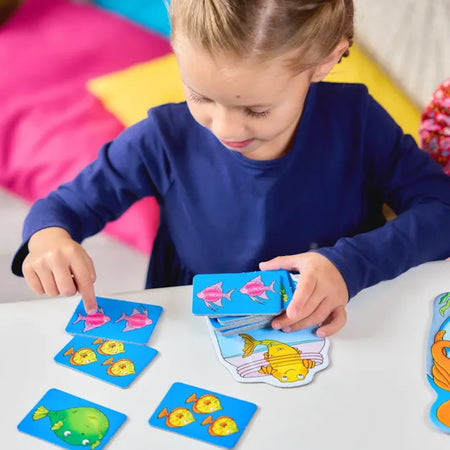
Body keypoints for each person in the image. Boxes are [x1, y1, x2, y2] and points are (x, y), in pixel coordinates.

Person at [11, 0, 450, 338]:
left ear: (325, 61)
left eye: (256, 109)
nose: (225, 128)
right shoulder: (162, 137)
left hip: (343, 317)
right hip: (197, 329)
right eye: (200, 96)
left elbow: (441, 209)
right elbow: (62, 207)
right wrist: (49, 239)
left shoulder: (356, 120)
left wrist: (351, 265)